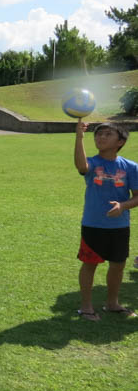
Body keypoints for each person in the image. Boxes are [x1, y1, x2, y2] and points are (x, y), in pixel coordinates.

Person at [74, 121, 138, 320]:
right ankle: (86, 307)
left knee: (118, 264)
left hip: (119, 225)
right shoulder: (93, 163)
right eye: (98, 134)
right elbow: (81, 165)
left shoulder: (130, 167)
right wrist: (79, 137)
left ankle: (112, 304)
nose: (100, 137)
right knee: (90, 264)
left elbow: (136, 196)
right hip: (93, 224)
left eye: (107, 134)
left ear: (120, 141)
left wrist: (122, 206)